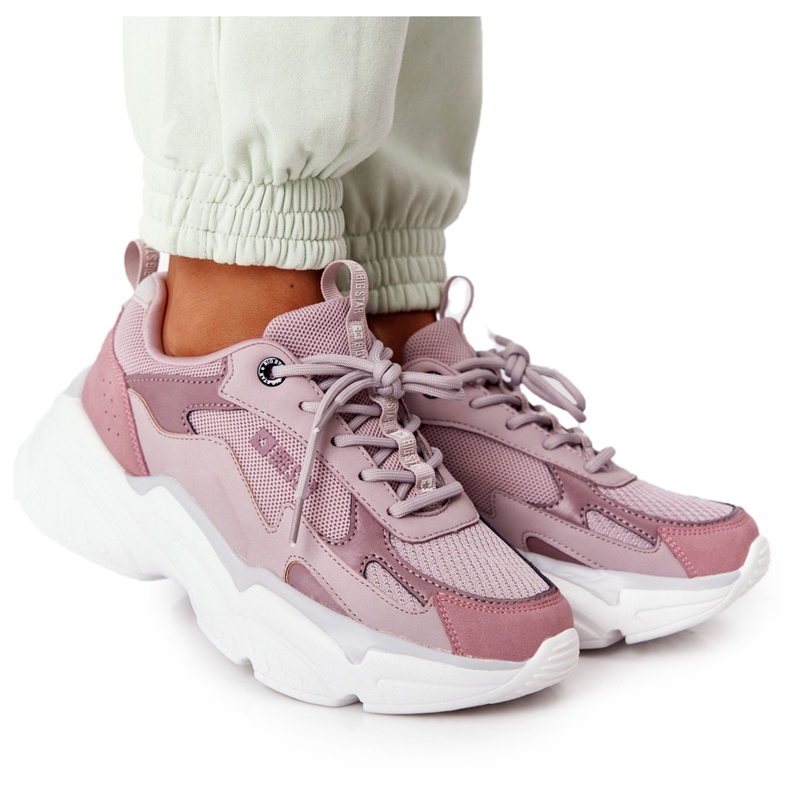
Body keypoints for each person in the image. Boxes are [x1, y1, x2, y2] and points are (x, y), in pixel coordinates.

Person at [15, 17, 768, 713]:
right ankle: (224, 306)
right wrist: (245, 215)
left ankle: (386, 335)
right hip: (220, 299)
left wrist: (391, 273)